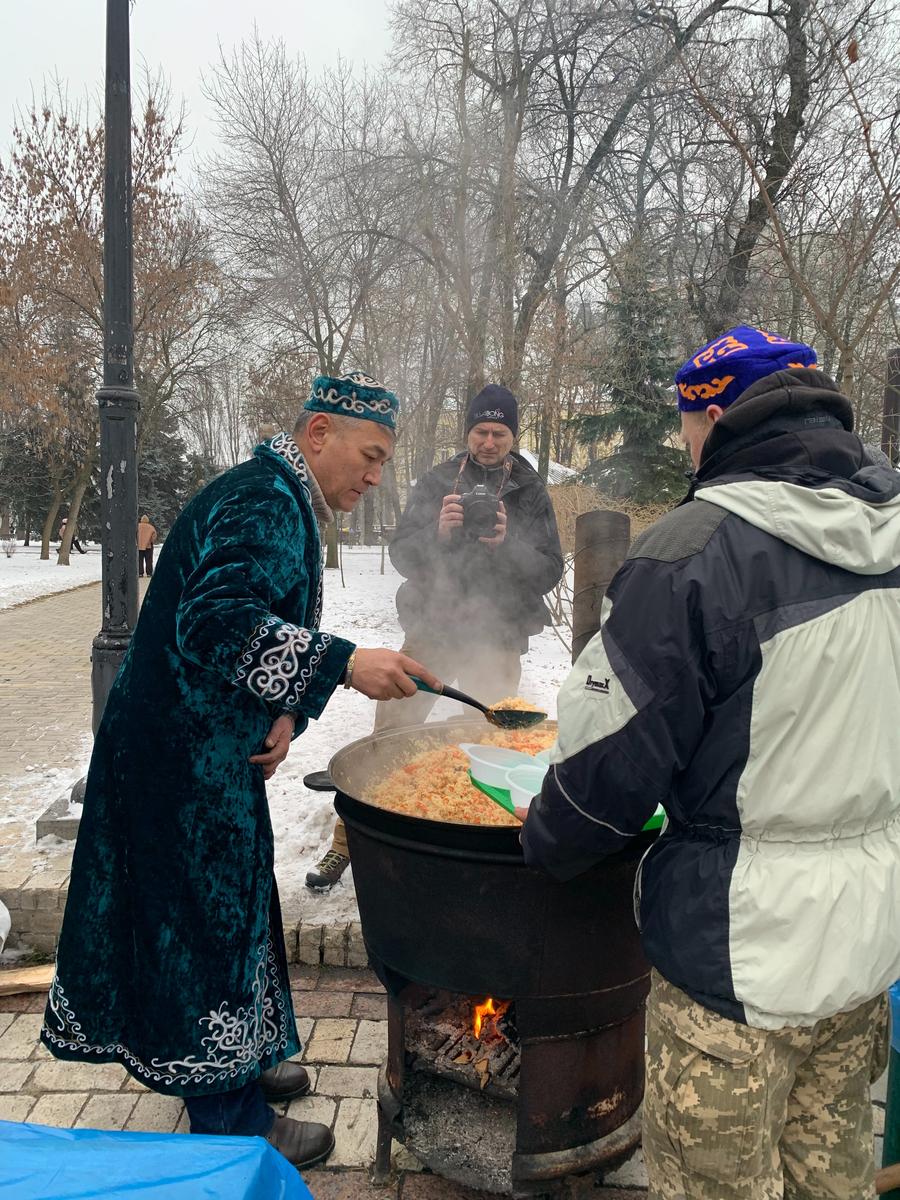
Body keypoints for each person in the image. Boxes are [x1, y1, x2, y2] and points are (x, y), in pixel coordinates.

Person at [520, 326, 900, 1199]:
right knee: (830, 1184)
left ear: (714, 414)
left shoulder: (695, 552)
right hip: (864, 950)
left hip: (738, 966)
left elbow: (604, 767)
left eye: (686, 427)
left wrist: (547, 843)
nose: (687, 448)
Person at [41, 371, 440, 1170]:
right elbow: (216, 621)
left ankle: (245, 1058)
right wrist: (345, 663)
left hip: (203, 755)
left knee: (236, 910)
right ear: (318, 433)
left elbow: (247, 631)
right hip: (175, 766)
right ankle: (231, 1121)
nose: (374, 477)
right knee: (203, 929)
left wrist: (287, 709)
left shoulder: (278, 497)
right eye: (369, 456)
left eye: (384, 464)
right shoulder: (263, 501)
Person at [305, 383, 564, 891]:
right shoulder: (439, 479)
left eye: (500, 432)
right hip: (432, 630)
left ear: (514, 434)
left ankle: (471, 855)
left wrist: (507, 543)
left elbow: (551, 567)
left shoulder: (531, 489)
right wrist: (440, 534)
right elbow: (403, 553)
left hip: (498, 635)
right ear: (468, 431)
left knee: (492, 742)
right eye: (481, 431)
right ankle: (347, 844)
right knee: (387, 738)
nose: (489, 442)